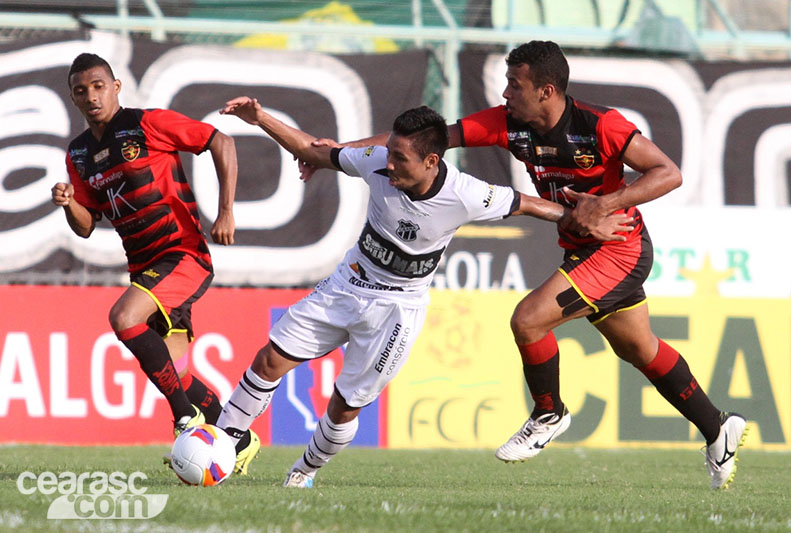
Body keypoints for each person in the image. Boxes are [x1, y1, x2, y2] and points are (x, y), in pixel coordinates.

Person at [306, 41, 747, 491]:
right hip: (582, 249)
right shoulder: (507, 124)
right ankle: (718, 428)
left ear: (546, 91)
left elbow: (668, 172)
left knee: (529, 320)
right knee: (640, 350)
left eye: (514, 85)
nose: (504, 93)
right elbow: (422, 144)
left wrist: (606, 203)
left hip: (618, 248)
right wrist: (338, 151)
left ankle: (548, 412)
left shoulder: (601, 125)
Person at [215, 97, 633, 488]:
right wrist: (261, 118)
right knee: (270, 359)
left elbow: (527, 203)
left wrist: (585, 219)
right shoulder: (376, 161)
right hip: (348, 283)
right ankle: (224, 443)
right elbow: (313, 151)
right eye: (390, 152)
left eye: (401, 158)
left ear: (432, 161)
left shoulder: (466, 194)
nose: (389, 164)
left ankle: (302, 472)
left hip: (398, 310)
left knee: (344, 408)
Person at [51, 53, 256, 474]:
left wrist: (227, 211)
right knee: (178, 373)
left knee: (124, 316)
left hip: (183, 255)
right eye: (80, 91)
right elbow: (87, 227)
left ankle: (185, 419)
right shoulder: (79, 154)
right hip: (144, 269)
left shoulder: (146, 124)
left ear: (116, 87)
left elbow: (222, 141)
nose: (91, 96)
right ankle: (236, 440)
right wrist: (70, 203)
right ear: (73, 98)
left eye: (98, 86)